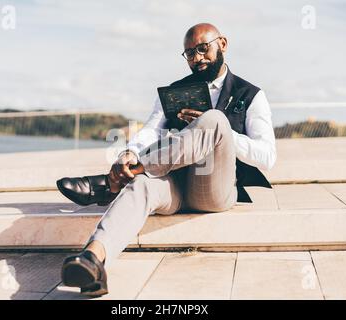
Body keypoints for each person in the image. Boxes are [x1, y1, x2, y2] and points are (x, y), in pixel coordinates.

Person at [56, 23, 276, 297]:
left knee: (215, 120)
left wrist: (223, 133)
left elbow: (267, 156)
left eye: (202, 49)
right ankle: (93, 259)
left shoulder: (251, 94)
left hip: (214, 189)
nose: (197, 58)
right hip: (174, 186)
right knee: (141, 187)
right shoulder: (174, 90)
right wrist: (130, 153)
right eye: (189, 54)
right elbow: (151, 129)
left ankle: (116, 182)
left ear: (223, 44)